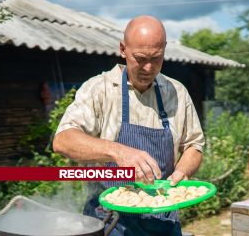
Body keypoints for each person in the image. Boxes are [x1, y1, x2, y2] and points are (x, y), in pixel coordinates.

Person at [53, 15, 205, 236]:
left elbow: (194, 144)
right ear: (123, 50)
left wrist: (182, 170)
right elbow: (63, 140)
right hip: (108, 221)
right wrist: (118, 151)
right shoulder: (99, 89)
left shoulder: (177, 92)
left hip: (163, 220)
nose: (148, 67)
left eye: (157, 57)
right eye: (140, 58)